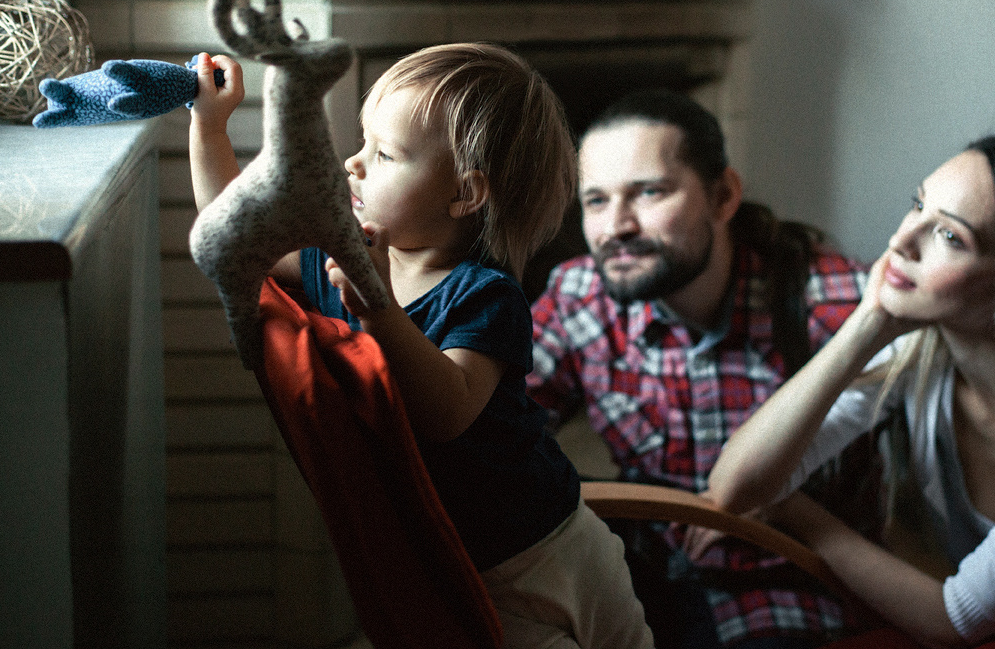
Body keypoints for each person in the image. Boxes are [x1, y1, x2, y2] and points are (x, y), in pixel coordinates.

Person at [189, 43, 655, 649]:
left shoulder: (485, 295)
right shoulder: (330, 259)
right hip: (470, 573)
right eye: (363, 141)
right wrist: (209, 124)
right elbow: (232, 235)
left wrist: (379, 306)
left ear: (464, 194)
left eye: (384, 154)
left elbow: (448, 411)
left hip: (548, 545)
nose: (353, 164)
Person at [705, 132, 995, 649]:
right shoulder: (924, 349)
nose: (900, 242)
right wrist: (865, 324)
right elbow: (736, 486)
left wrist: (797, 515)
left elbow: (954, 622)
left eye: (950, 237)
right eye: (917, 206)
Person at [527, 89, 883, 649]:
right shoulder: (580, 297)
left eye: (649, 192)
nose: (616, 226)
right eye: (595, 201)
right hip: (642, 577)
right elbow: (496, 422)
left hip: (783, 585)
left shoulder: (832, 301)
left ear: (723, 197)